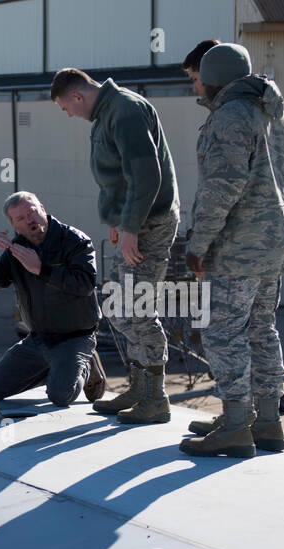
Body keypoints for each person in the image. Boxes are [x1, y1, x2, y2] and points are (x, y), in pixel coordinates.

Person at [180, 43, 284, 458]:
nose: (199, 87)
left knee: (222, 332)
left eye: (201, 79)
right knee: (261, 329)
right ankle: (266, 421)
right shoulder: (277, 114)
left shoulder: (229, 115)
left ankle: (234, 426)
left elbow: (221, 187)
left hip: (238, 245)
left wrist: (198, 244)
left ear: (216, 78)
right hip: (275, 242)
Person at [52, 67, 180, 424]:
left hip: (149, 223)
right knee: (119, 304)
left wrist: (131, 226)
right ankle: (141, 387)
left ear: (77, 96)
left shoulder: (123, 109)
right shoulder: (110, 112)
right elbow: (120, 175)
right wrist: (117, 220)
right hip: (134, 221)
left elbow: (146, 175)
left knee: (136, 308)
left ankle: (155, 397)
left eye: (66, 108)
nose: (69, 115)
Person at [0, 192, 106, 407]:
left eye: (32, 212)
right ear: (14, 226)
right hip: (39, 338)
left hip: (75, 337)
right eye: (20, 218)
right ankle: (60, 369)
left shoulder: (74, 240)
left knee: (60, 396)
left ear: (42, 209)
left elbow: (85, 284)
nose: (29, 220)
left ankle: (86, 363)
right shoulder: (18, 247)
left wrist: (41, 270)